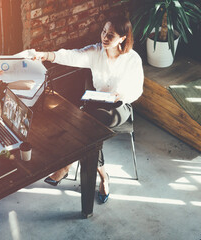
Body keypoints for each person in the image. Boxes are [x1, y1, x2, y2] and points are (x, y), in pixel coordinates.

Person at [32, 15, 144, 203]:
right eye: (103, 32)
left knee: (86, 126)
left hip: (119, 106)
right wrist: (46, 55)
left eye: (111, 35)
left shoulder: (132, 60)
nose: (104, 38)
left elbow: (136, 90)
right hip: (96, 103)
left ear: (123, 38)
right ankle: (103, 176)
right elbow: (72, 55)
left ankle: (66, 166)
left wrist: (120, 94)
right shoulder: (96, 51)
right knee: (87, 129)